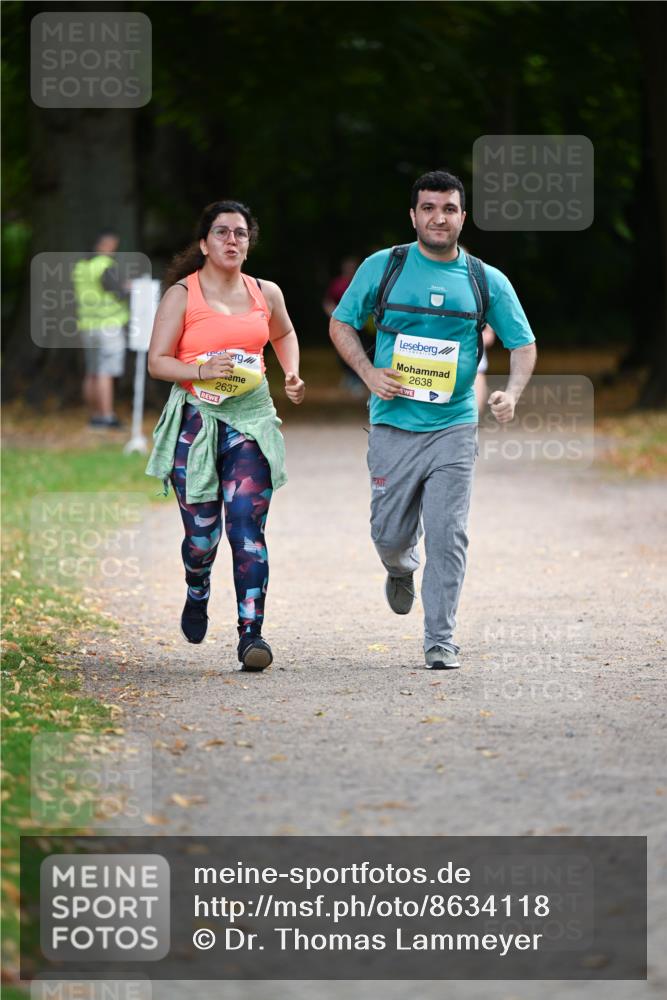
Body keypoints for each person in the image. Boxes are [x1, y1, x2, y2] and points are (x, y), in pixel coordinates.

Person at [329, 169, 536, 670]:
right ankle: (400, 567)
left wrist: (511, 393)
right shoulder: (385, 266)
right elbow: (341, 323)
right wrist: (368, 373)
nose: (438, 218)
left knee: (448, 533)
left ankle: (441, 639)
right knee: (389, 535)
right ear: (413, 215)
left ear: (463, 217)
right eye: (428, 208)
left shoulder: (485, 280)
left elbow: (523, 344)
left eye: (448, 209)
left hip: (454, 425)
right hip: (392, 424)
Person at [145, 200, 305, 671]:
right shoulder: (182, 295)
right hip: (196, 422)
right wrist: (200, 370)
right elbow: (157, 362)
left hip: (251, 422)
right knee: (202, 539)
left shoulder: (265, 292)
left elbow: (284, 334)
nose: (232, 240)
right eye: (221, 232)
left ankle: (251, 634)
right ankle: (197, 588)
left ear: (248, 244)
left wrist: (291, 372)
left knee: (246, 528)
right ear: (204, 243)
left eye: (240, 233)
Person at [73, 231, 130, 428]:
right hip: (108, 326)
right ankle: (107, 417)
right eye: (112, 246)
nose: (114, 250)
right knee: (106, 372)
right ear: (104, 245)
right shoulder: (105, 265)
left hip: (87, 326)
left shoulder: (81, 266)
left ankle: (95, 416)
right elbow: (118, 292)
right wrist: (128, 288)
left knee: (92, 372)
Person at [322, 256, 372, 396]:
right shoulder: (338, 284)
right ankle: (350, 377)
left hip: (360, 325)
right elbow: (328, 301)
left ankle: (359, 378)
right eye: (348, 268)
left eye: (352, 268)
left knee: (363, 349)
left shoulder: (361, 283)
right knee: (342, 351)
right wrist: (335, 316)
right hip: (342, 324)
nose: (350, 270)